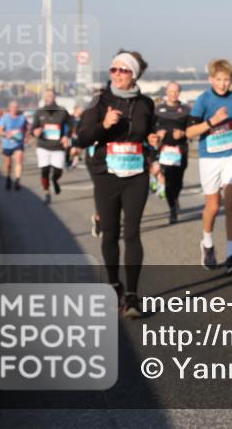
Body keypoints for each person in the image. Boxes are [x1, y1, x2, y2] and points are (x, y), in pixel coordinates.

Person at [77, 51, 160, 318]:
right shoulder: (100, 101)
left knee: (132, 233)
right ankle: (114, 284)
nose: (117, 74)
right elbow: (83, 138)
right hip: (107, 174)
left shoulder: (146, 103)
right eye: (113, 69)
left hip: (136, 173)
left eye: (123, 70)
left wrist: (154, 140)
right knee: (111, 233)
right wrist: (104, 124)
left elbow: (150, 132)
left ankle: (133, 297)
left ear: (134, 74)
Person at [186, 59, 232, 275]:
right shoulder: (203, 100)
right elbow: (189, 133)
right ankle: (207, 243)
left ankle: (231, 255)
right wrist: (211, 121)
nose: (223, 84)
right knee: (214, 207)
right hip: (209, 157)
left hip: (231, 154)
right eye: (219, 80)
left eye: (227, 80)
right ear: (211, 79)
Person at [153, 82, 191, 224]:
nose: (173, 94)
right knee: (168, 181)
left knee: (178, 181)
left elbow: (193, 129)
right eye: (171, 91)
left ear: (179, 92)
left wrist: (182, 133)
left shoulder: (186, 110)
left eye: (176, 91)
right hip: (165, 150)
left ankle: (175, 197)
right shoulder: (158, 110)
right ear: (166, 92)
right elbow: (150, 128)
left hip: (180, 150)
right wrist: (157, 134)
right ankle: (172, 210)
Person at [32, 89, 71, 204]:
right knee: (44, 170)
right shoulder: (39, 112)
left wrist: (66, 136)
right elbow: (33, 129)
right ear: (44, 98)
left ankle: (54, 180)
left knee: (58, 171)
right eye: (46, 96)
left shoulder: (62, 111)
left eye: (51, 96)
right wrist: (35, 132)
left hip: (58, 146)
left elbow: (71, 124)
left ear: (54, 98)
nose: (48, 98)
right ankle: (46, 192)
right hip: (43, 145)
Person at [0, 100, 29, 191]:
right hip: (7, 144)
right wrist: (6, 134)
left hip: (18, 143)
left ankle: (17, 180)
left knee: (19, 159)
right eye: (12, 107)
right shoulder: (5, 117)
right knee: (8, 164)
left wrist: (26, 136)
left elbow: (26, 129)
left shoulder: (22, 117)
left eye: (16, 107)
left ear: (18, 108)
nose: (14, 109)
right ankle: (8, 177)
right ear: (9, 108)